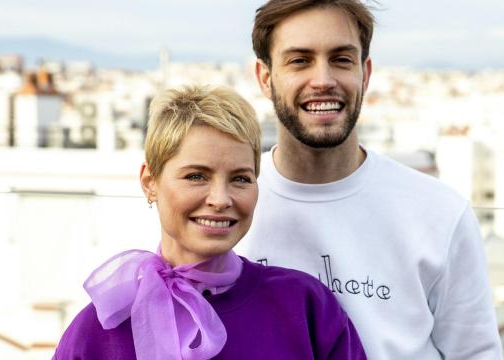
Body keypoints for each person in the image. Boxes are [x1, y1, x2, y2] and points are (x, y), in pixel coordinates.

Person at [236, 1, 503, 359]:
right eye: (300, 60)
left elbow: (475, 352)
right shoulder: (226, 209)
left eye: (341, 59)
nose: (323, 80)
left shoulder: (439, 213)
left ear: (366, 73)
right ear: (265, 78)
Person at [53, 86, 366, 359]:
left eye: (240, 179)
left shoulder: (305, 307)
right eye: (196, 176)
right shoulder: (100, 329)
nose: (220, 199)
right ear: (150, 182)